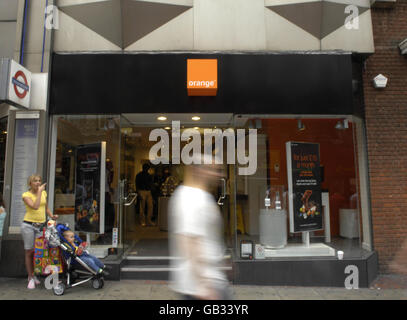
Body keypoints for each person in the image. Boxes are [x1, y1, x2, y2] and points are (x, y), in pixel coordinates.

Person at [168, 155, 230, 300]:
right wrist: (203, 285)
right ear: (198, 171)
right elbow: (189, 241)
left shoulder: (203, 196)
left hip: (211, 280)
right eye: (213, 170)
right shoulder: (190, 197)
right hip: (200, 286)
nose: (219, 174)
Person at [21, 174, 59, 289]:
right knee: (29, 251)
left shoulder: (43, 193)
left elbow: (45, 207)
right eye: (35, 181)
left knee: (39, 252)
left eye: (39, 181)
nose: (38, 183)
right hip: (28, 225)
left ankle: (36, 274)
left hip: (40, 226)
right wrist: (39, 192)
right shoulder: (26, 195)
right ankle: (30, 277)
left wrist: (52, 215)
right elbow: (36, 206)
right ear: (30, 184)